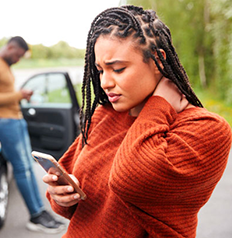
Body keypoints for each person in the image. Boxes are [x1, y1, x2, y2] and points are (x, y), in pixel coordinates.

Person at [42, 5, 232, 237]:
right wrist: (63, 197)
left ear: (157, 61)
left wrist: (159, 105)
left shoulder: (207, 129)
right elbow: (76, 205)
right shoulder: (104, 115)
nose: (104, 83)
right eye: (100, 70)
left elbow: (130, 180)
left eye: (118, 69)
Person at [0, 36, 65, 233]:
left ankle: (41, 211)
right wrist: (19, 95)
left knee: (28, 167)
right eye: (17, 55)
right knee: (22, 168)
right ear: (10, 47)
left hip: (14, 120)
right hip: (3, 122)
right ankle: (35, 216)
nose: (17, 60)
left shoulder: (3, 64)